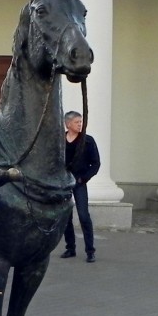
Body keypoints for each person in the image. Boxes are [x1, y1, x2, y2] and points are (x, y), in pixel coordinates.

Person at [60, 110, 100, 263]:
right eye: (77, 122)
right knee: (65, 217)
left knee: (83, 215)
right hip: (63, 184)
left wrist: (84, 178)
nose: (80, 125)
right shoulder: (60, 140)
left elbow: (95, 163)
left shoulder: (87, 141)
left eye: (81, 122)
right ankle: (70, 248)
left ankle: (90, 250)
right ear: (68, 124)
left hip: (79, 183)